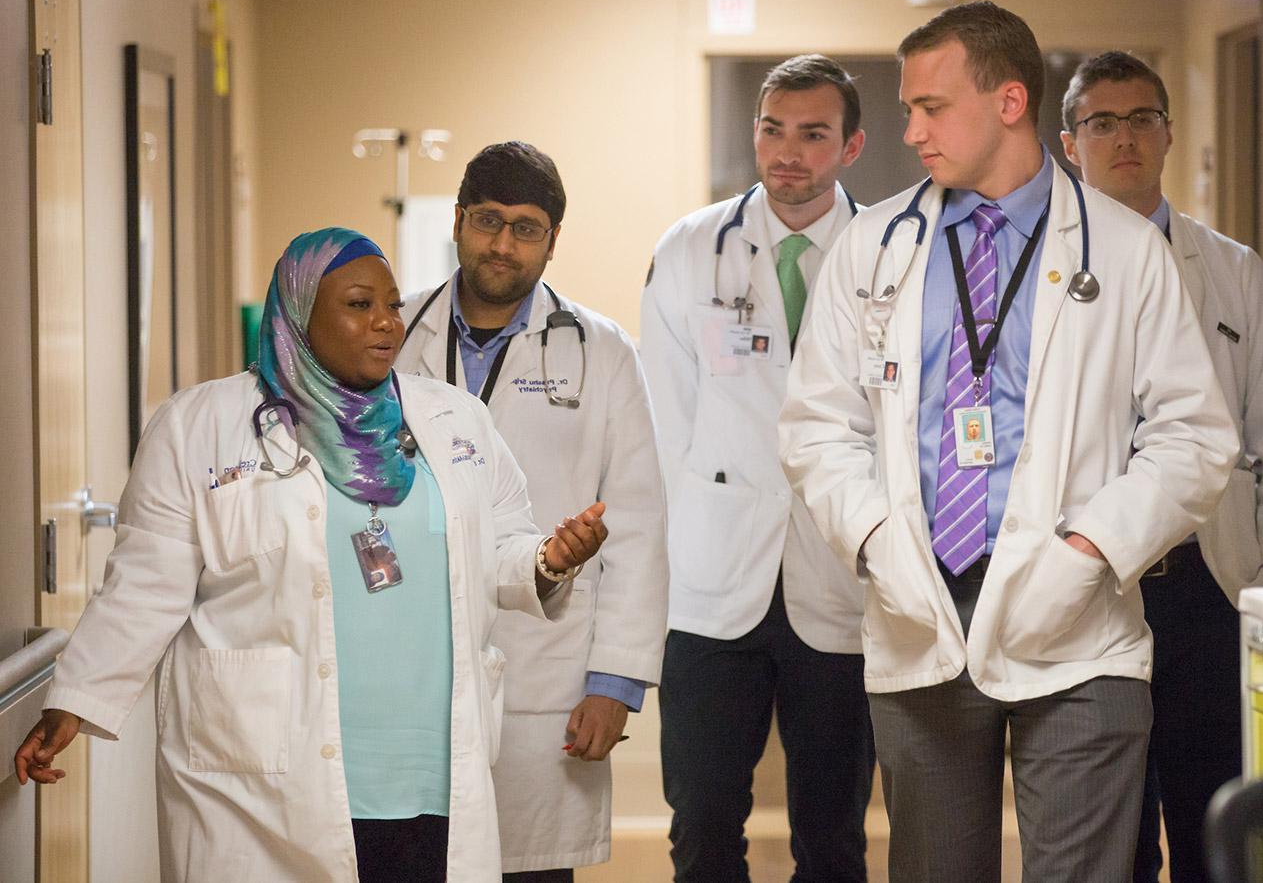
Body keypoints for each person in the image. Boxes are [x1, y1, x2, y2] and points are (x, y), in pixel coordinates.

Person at [778, 2, 1238, 881]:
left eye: (931, 107)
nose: (910, 131)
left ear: (1010, 102)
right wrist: (877, 540)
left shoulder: (1126, 250)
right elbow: (814, 427)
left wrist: (1087, 552)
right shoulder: (875, 246)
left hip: (1079, 623)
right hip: (922, 610)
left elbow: (1192, 436)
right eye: (909, 108)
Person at [14, 228, 609, 883]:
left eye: (391, 304)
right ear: (300, 313)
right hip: (265, 779)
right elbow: (143, 586)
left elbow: (498, 550)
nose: (386, 322)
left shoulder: (456, 421)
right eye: (359, 305)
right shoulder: (200, 427)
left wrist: (550, 557)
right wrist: (74, 699)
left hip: (429, 771)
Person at [396, 142, 668, 882]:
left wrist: (616, 683)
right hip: (403, 663)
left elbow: (638, 527)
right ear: (457, 220)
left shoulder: (604, 353)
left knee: (528, 869)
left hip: (542, 674)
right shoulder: (391, 336)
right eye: (488, 220)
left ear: (552, 240)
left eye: (526, 227)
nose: (503, 244)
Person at [640, 53, 873, 882]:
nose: (788, 152)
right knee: (702, 826)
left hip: (841, 580)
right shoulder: (692, 249)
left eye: (814, 134)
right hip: (712, 581)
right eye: (773, 129)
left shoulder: (888, 253)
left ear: (851, 147)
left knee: (832, 837)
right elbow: (663, 424)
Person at [1061, 51, 1263, 883]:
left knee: (1214, 818)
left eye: (1141, 118)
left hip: (1207, 585)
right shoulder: (1042, 273)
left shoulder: (1235, 270)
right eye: (1100, 123)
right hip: (1093, 584)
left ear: (1170, 133)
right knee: (1111, 836)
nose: (1123, 139)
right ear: (1068, 143)